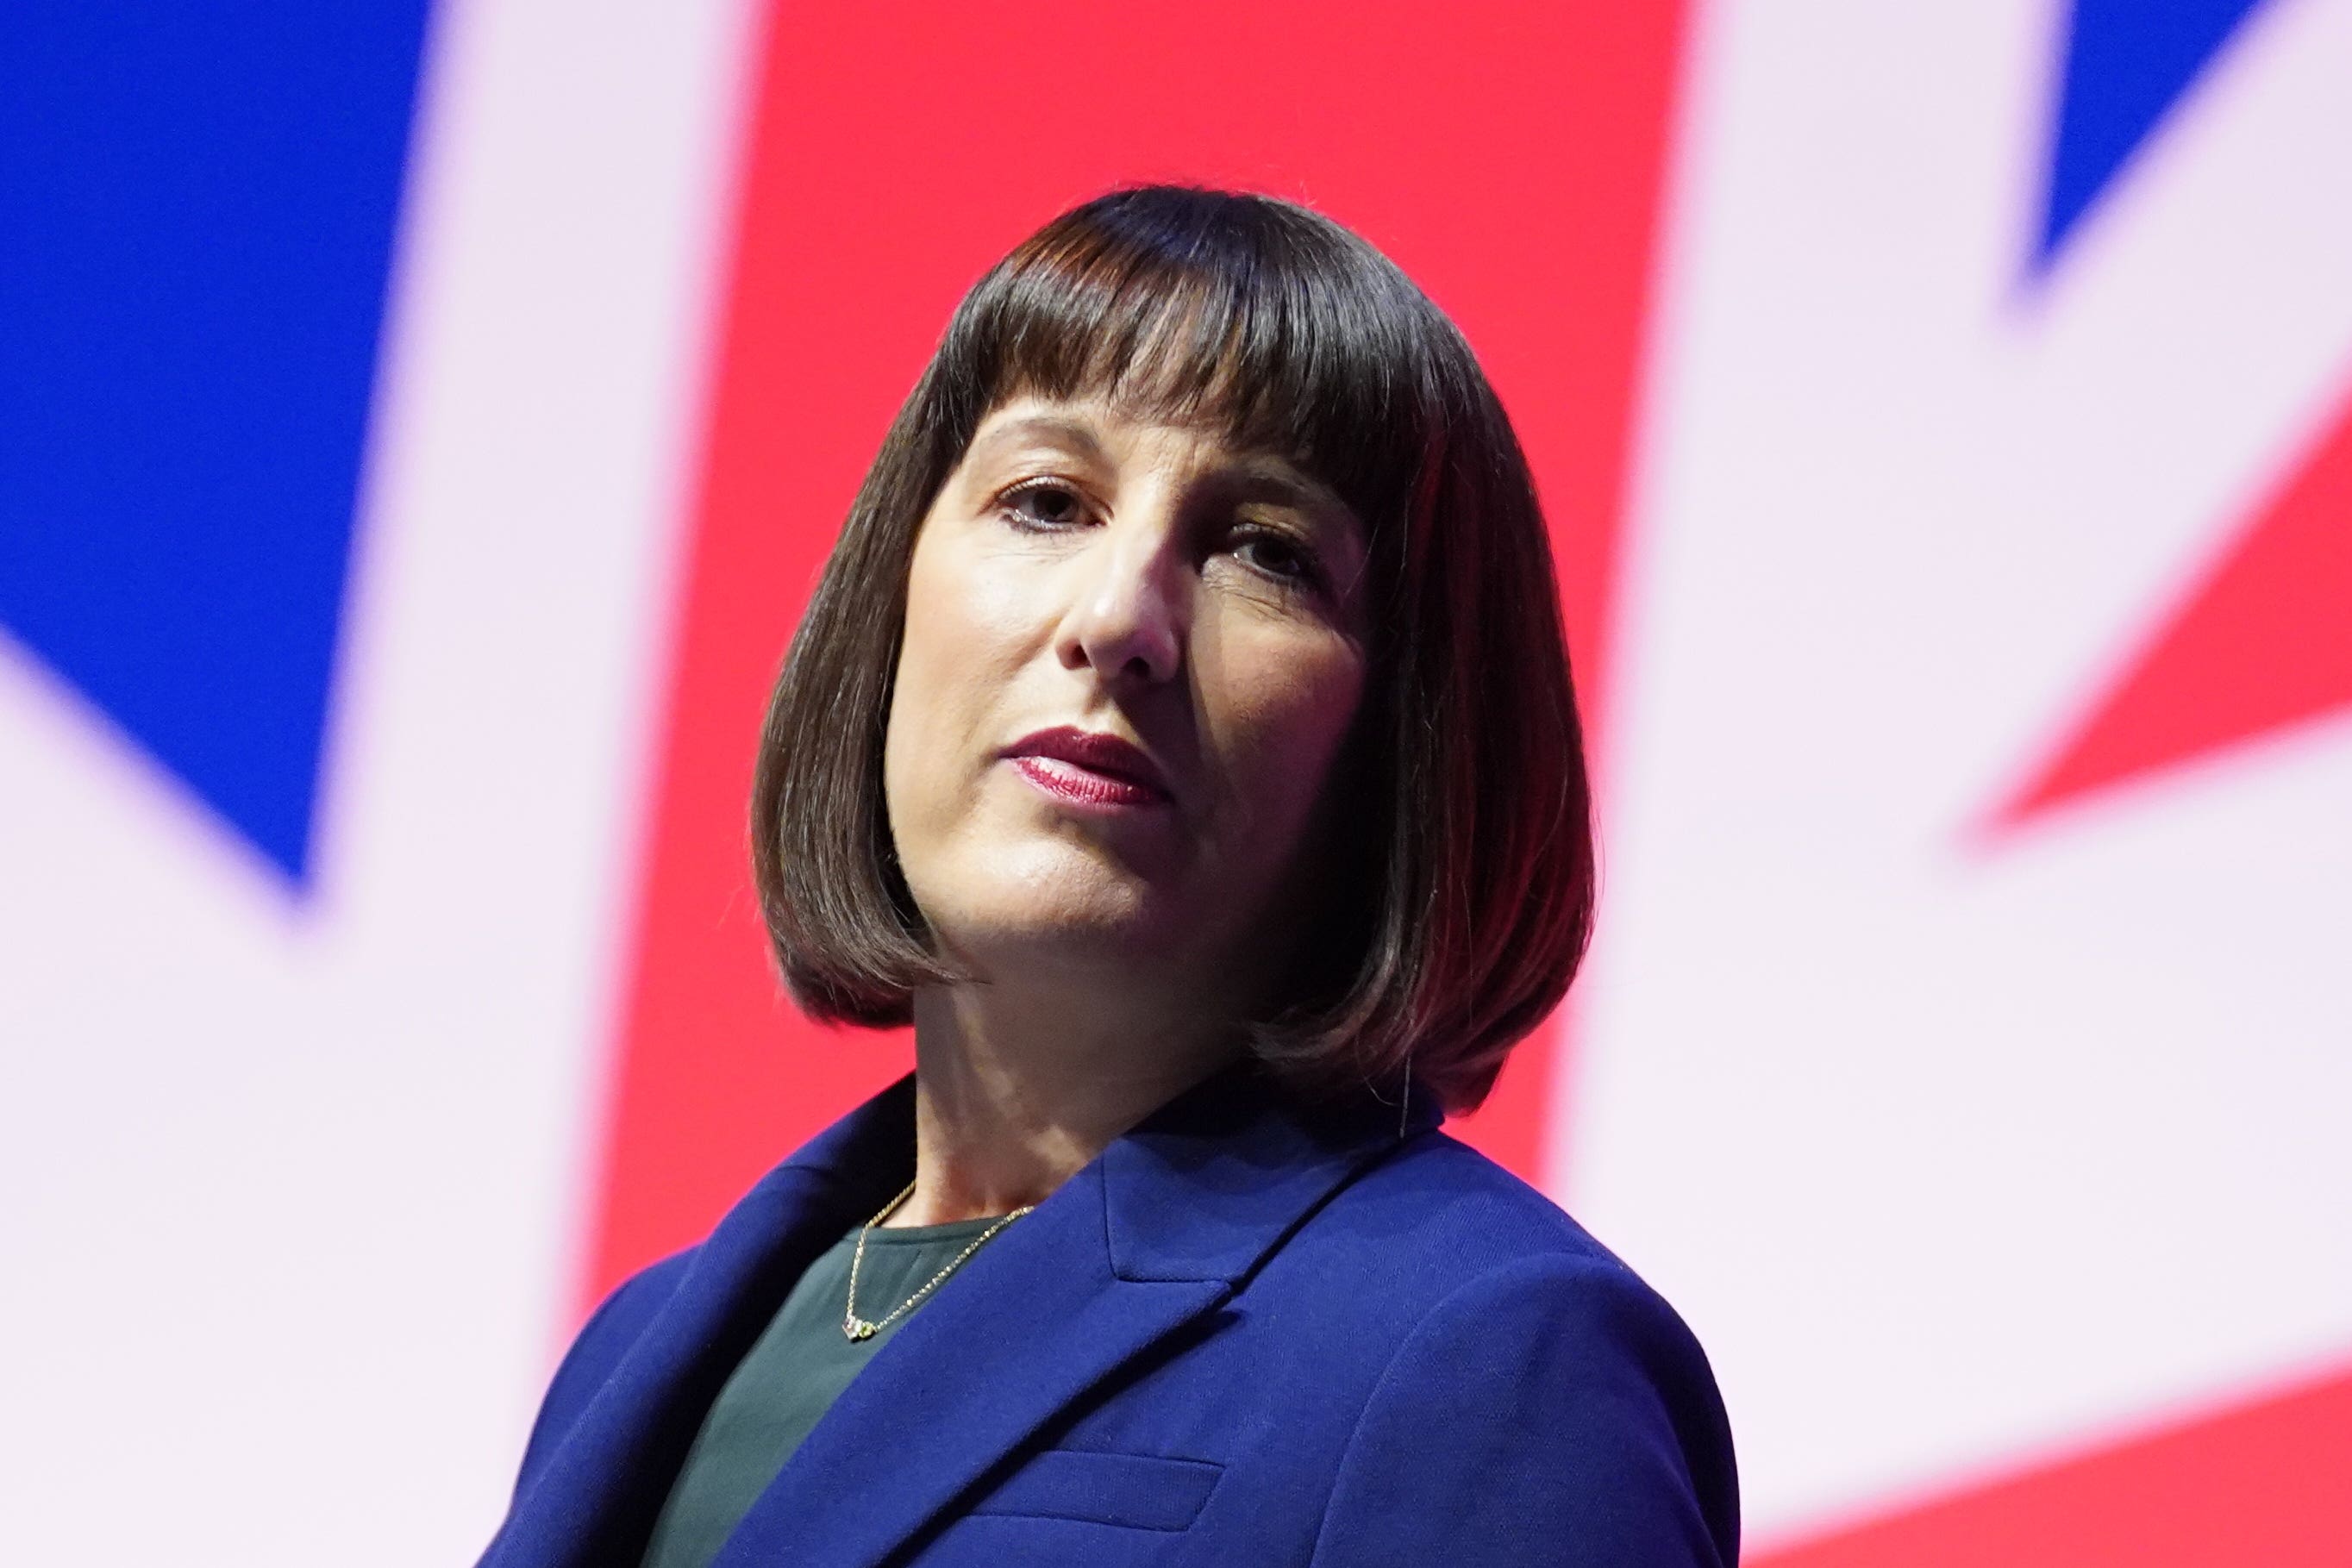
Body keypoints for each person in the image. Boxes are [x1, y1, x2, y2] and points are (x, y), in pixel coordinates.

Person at [477, 184, 1737, 1568]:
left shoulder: (1494, 1357)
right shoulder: (634, 1354)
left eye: (1266, 551)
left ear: (1408, 741)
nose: (1120, 617)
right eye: (1045, 500)